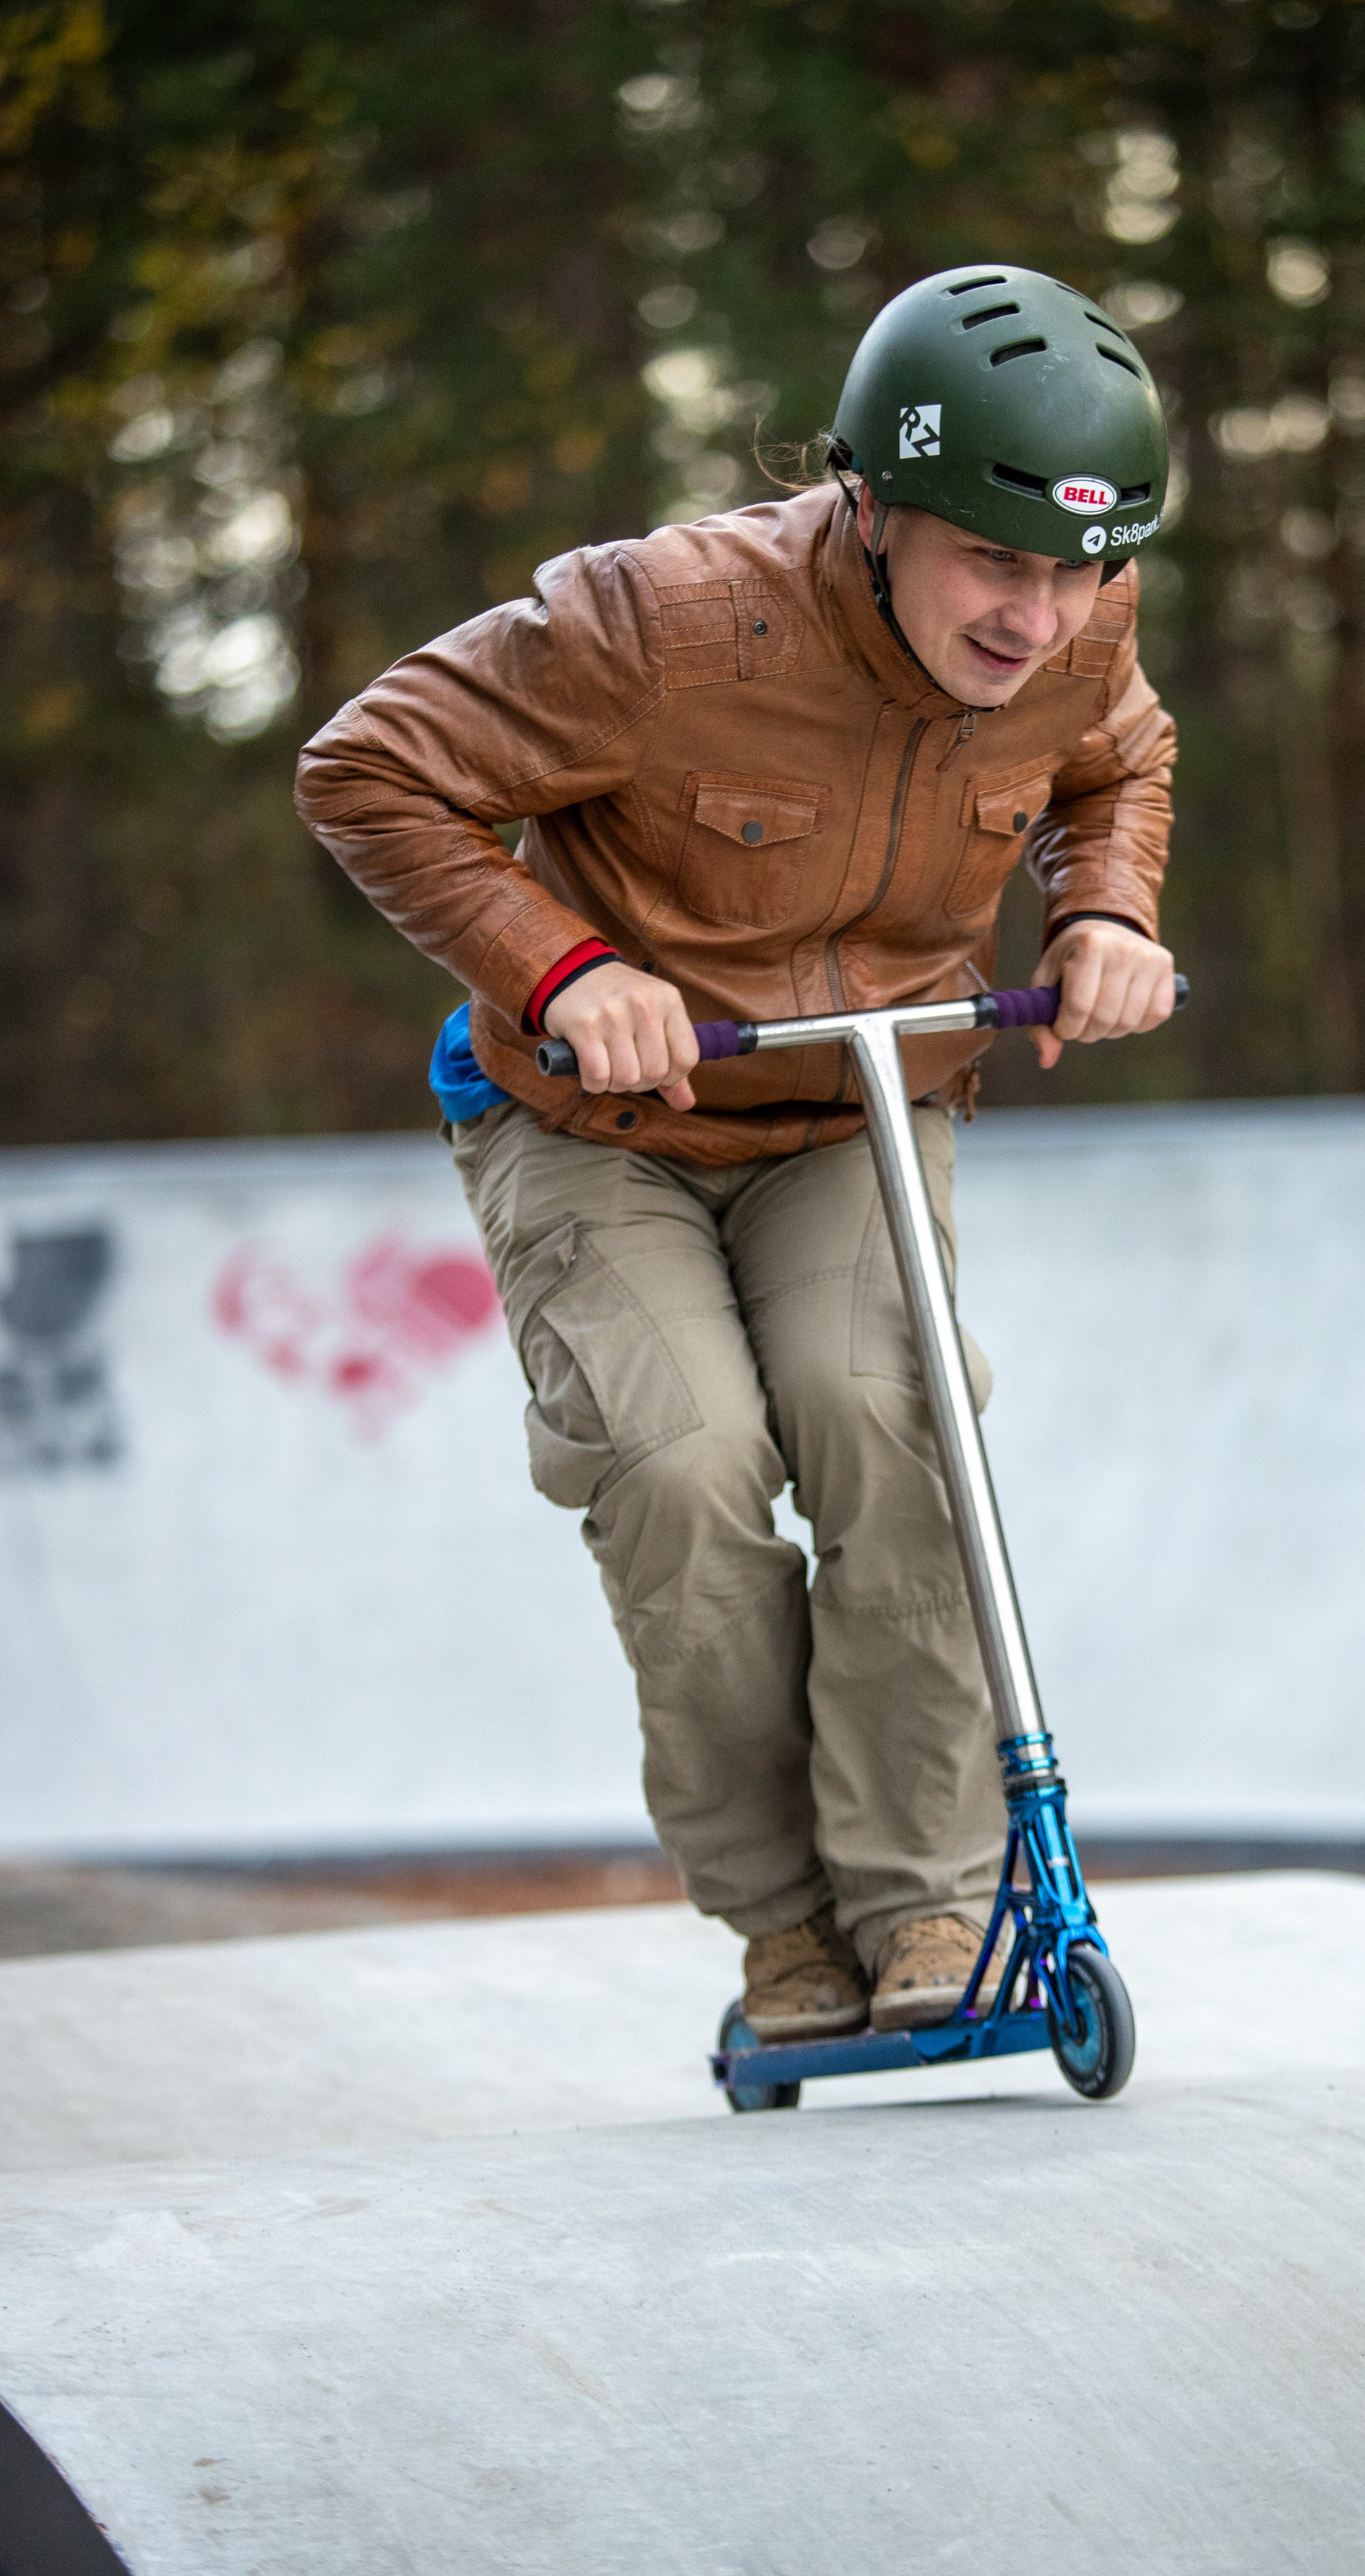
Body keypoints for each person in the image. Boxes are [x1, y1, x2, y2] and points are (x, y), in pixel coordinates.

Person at [296, 266, 1178, 2041]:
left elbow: (1119, 764)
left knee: (886, 1412)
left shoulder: (1077, 627)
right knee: (685, 1460)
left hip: (856, 1103)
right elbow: (369, 766)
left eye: (1078, 571)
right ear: (870, 506)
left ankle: (921, 1905)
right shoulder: (661, 623)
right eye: (995, 564)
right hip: (599, 1123)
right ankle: (785, 1932)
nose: (1039, 617)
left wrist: (1103, 909)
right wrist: (564, 964)